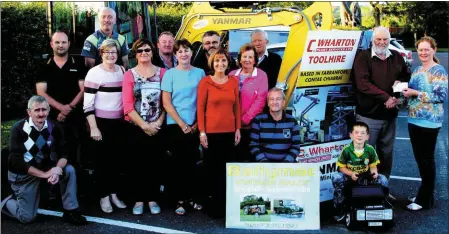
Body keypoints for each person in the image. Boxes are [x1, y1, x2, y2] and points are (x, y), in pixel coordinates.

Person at [1, 96, 87, 225]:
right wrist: (45, 174)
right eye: (37, 110)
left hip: (44, 169)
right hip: (24, 175)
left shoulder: (55, 127)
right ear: (29, 112)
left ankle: (71, 210)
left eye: (44, 110)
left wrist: (57, 170)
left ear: (48, 110)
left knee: (68, 170)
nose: (41, 114)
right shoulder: (18, 129)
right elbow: (16, 162)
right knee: (27, 217)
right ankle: (5, 202)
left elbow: (64, 154)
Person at [352, 26, 410, 200]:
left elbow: (407, 76)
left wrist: (398, 91)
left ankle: (383, 189)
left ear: (389, 40)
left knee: (386, 155)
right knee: (364, 155)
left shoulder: (397, 57)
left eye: (385, 39)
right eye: (378, 39)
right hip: (368, 116)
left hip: (390, 116)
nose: (382, 42)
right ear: (372, 40)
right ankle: (361, 191)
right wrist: (386, 97)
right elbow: (363, 84)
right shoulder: (363, 57)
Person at [401, 36, 448, 211]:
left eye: (427, 49)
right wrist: (402, 88)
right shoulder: (417, 70)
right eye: (420, 50)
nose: (423, 52)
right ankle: (425, 195)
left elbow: (439, 96)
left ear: (434, 50)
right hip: (414, 120)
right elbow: (410, 92)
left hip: (430, 122)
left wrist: (415, 92)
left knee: (426, 160)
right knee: (420, 160)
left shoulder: (439, 71)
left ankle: (424, 200)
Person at [161, 39, 205, 216]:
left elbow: (203, 100)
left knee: (192, 163)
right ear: (175, 55)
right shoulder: (169, 74)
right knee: (178, 165)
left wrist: (195, 124)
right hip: (176, 125)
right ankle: (179, 200)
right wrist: (182, 124)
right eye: (180, 51)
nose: (184, 54)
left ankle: (192, 197)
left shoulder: (200, 72)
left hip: (195, 125)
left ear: (191, 53)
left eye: (186, 50)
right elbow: (166, 102)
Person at [122, 39, 166, 215]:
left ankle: (153, 198)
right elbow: (127, 105)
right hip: (135, 127)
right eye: (139, 51)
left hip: (157, 126)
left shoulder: (163, 73)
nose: (143, 53)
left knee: (155, 163)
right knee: (137, 164)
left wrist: (158, 123)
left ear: (152, 51)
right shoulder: (129, 75)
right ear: (135, 53)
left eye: (147, 50)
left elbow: (167, 102)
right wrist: (144, 126)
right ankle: (139, 199)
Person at [83, 39, 127, 213]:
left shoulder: (122, 71)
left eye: (114, 52)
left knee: (116, 161)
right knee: (102, 162)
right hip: (101, 123)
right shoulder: (94, 73)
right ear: (101, 54)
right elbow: (88, 104)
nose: (111, 55)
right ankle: (104, 196)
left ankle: (114, 193)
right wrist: (93, 127)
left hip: (119, 123)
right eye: (107, 52)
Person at [197, 48, 241, 217]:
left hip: (229, 132)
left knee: (227, 170)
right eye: (217, 61)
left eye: (223, 61)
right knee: (212, 170)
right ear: (212, 63)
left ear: (228, 62)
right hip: (211, 133)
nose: (220, 64)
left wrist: (238, 128)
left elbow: (237, 106)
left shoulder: (233, 82)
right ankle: (213, 206)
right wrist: (202, 132)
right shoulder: (205, 82)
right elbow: (200, 108)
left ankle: (226, 205)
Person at [36, 30, 87, 167]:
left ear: (69, 44)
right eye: (57, 42)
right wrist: (61, 109)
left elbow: (83, 89)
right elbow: (41, 93)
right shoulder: (43, 67)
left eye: (64, 42)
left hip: (75, 116)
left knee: (77, 152)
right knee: (52, 152)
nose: (61, 45)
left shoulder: (79, 64)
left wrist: (68, 109)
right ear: (51, 44)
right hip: (51, 117)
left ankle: (77, 182)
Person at [332, 121, 388, 221]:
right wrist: (351, 173)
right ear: (351, 135)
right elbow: (341, 167)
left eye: (363, 133)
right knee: (336, 177)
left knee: (383, 179)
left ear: (367, 137)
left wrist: (374, 172)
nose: (359, 135)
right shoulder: (346, 150)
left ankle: (380, 205)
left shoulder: (370, 149)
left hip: (365, 176)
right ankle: (340, 207)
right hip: (350, 176)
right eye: (356, 132)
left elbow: (373, 165)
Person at [229, 43, 268, 162]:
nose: (247, 60)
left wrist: (245, 119)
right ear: (240, 59)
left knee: (249, 157)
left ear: (255, 60)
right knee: (234, 157)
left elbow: (260, 100)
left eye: (250, 57)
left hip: (251, 125)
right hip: (232, 124)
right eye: (245, 57)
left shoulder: (261, 75)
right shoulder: (231, 75)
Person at [250, 88, 300, 162]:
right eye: (272, 99)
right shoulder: (258, 120)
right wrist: (264, 162)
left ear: (283, 102)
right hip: (263, 165)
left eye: (278, 99)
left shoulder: (292, 122)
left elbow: (296, 146)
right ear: (268, 103)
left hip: (286, 165)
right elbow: (253, 145)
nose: (275, 102)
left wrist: (286, 162)